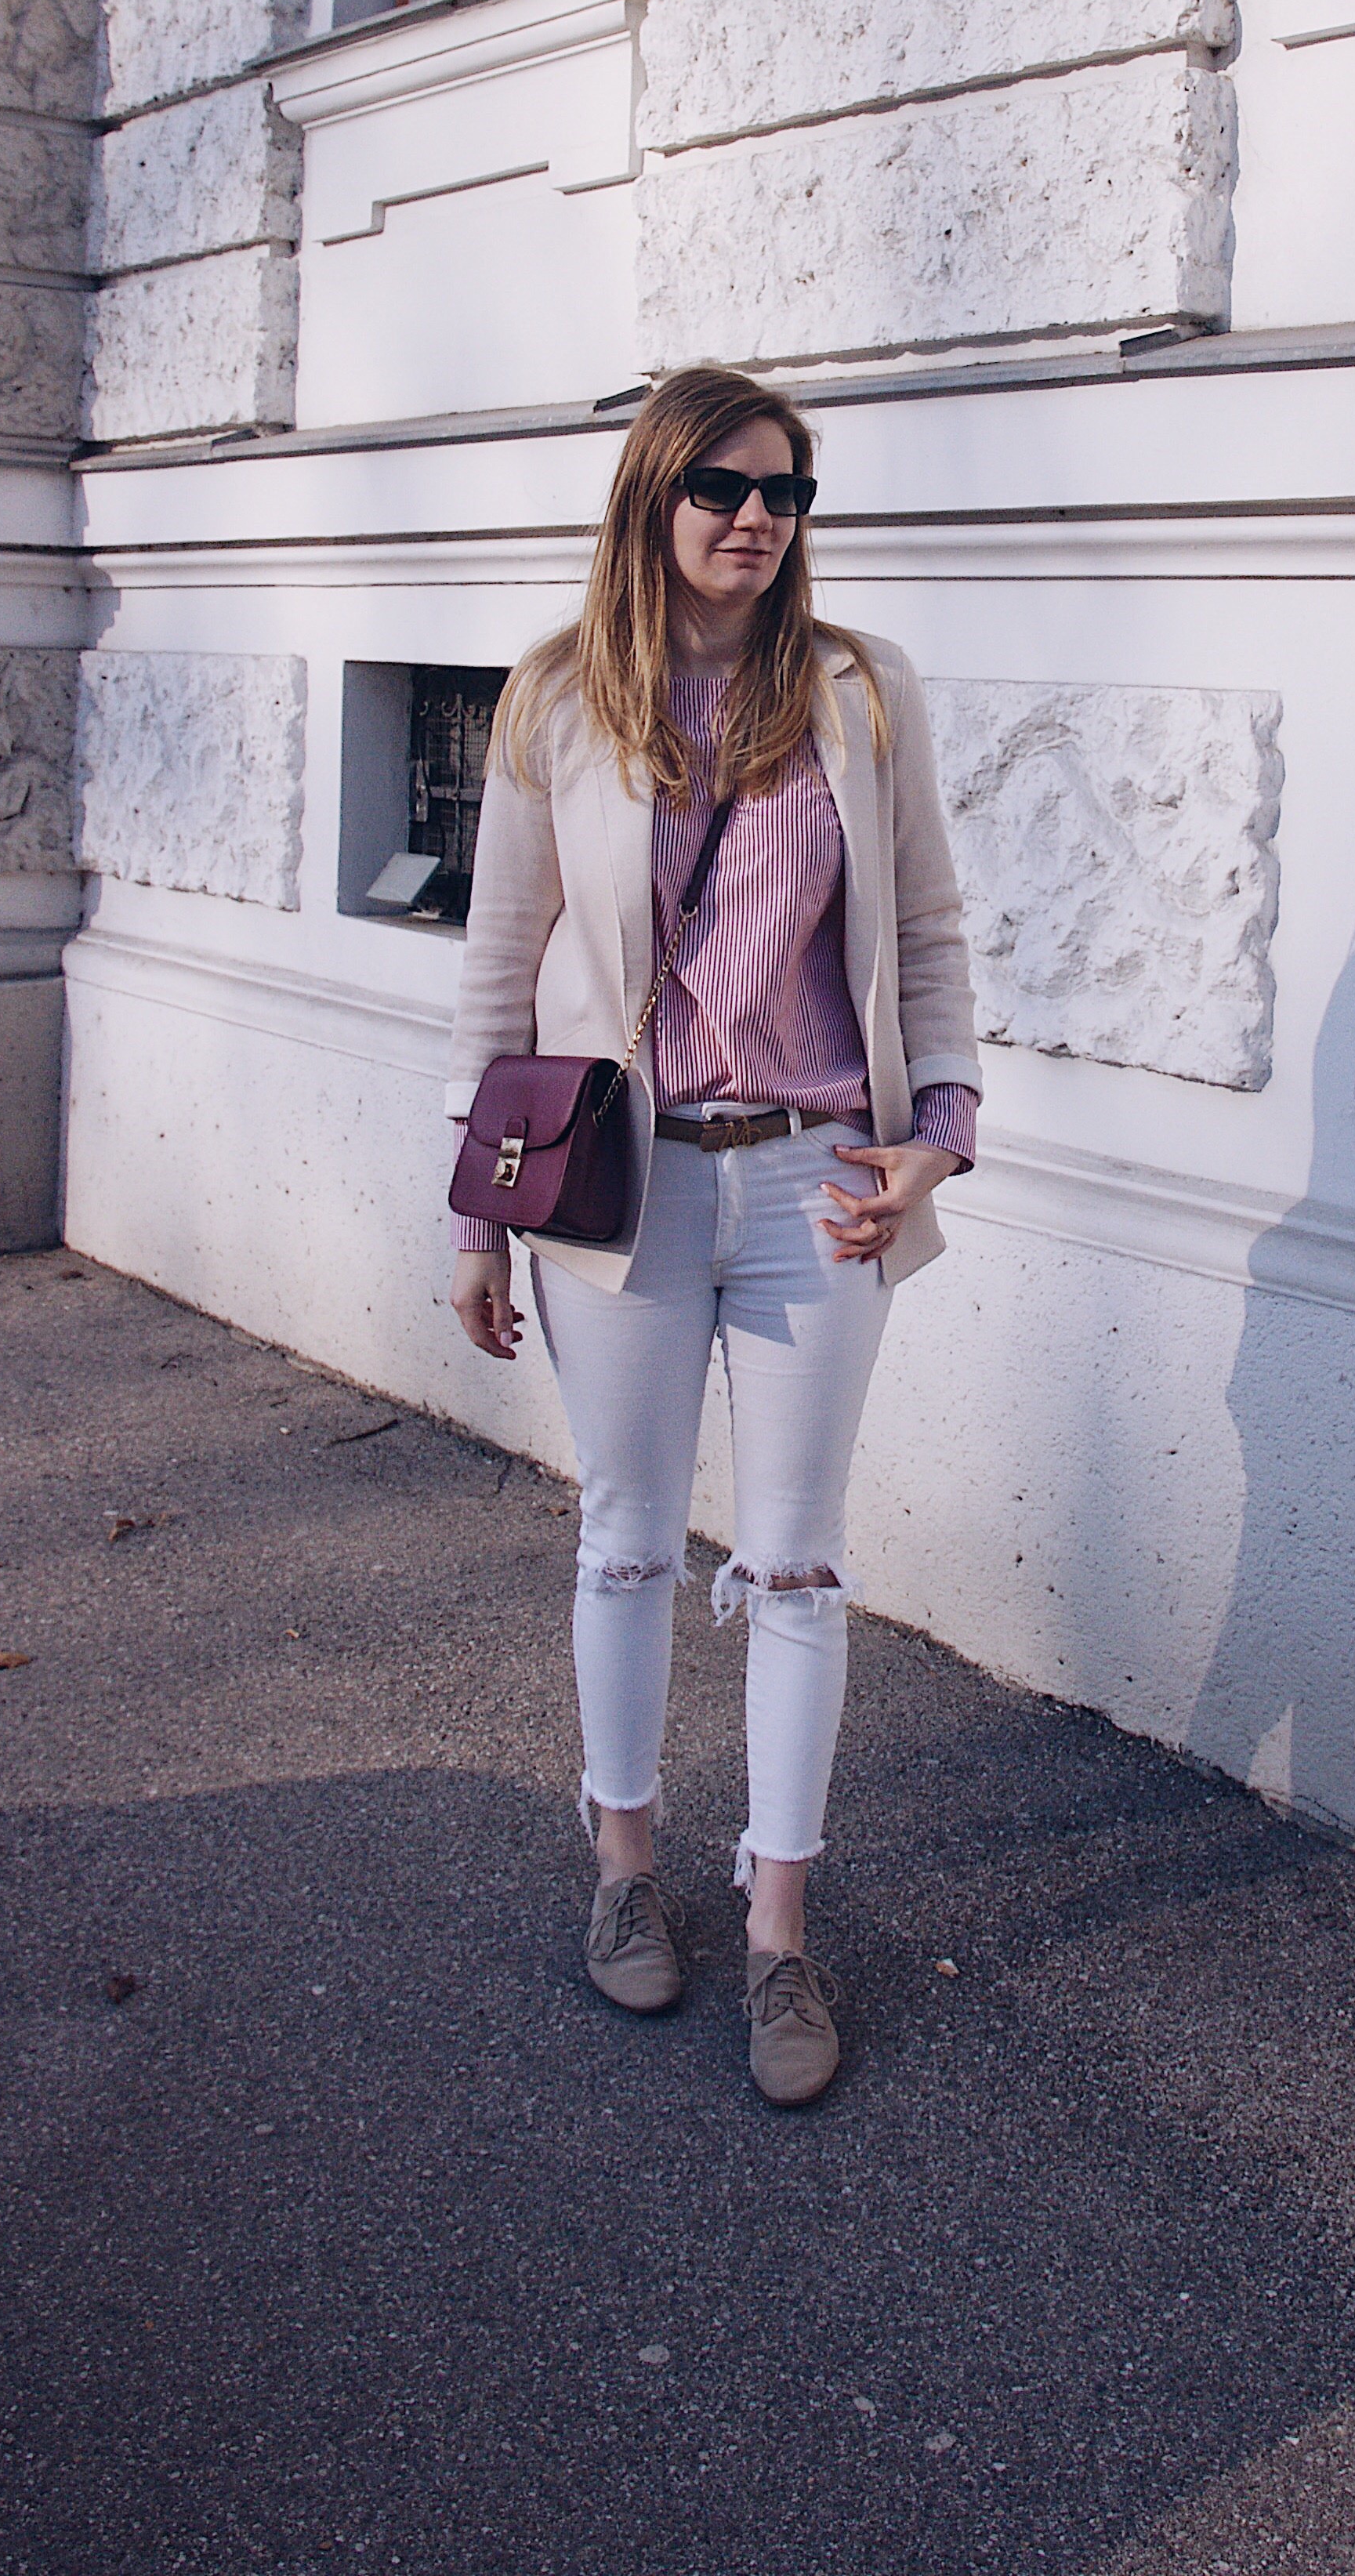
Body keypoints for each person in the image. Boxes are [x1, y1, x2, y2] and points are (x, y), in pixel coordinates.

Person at [445, 366, 980, 2107]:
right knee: (623, 1537)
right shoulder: (555, 703)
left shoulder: (859, 693)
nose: (761, 517)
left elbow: (929, 941)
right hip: (624, 1186)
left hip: (818, 1174)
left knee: (799, 1562)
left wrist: (942, 1142)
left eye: (789, 489)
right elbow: (501, 968)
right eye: (726, 487)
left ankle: (778, 1936)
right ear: (654, 498)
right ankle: (621, 1882)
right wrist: (475, 1216)